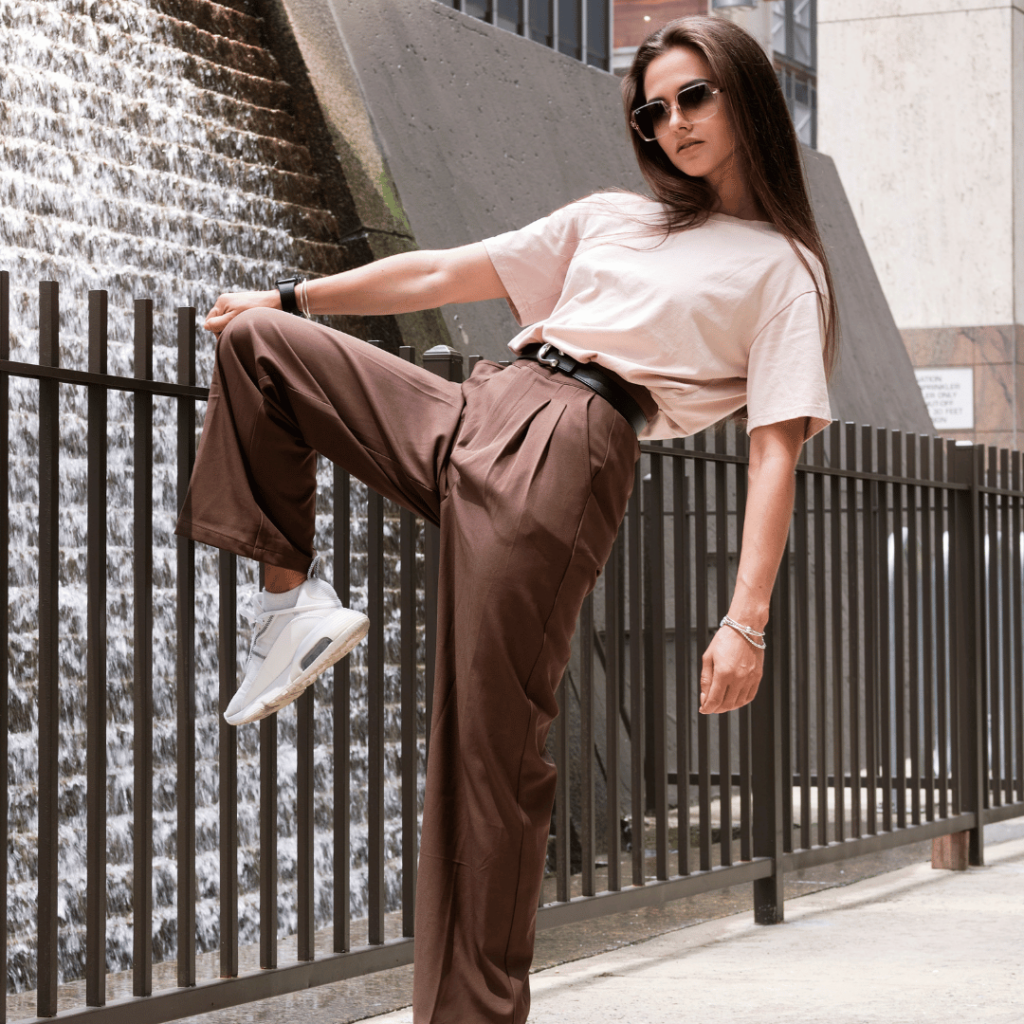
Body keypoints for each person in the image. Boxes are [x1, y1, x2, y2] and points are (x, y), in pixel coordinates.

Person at [176, 14, 837, 1024]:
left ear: (743, 92)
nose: (671, 123)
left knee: (486, 755)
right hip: (484, 399)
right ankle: (289, 605)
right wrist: (288, 290)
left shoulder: (782, 270)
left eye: (693, 95)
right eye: (652, 109)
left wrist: (744, 619)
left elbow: (773, 450)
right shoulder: (618, 217)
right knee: (266, 344)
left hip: (573, 444)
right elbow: (444, 271)